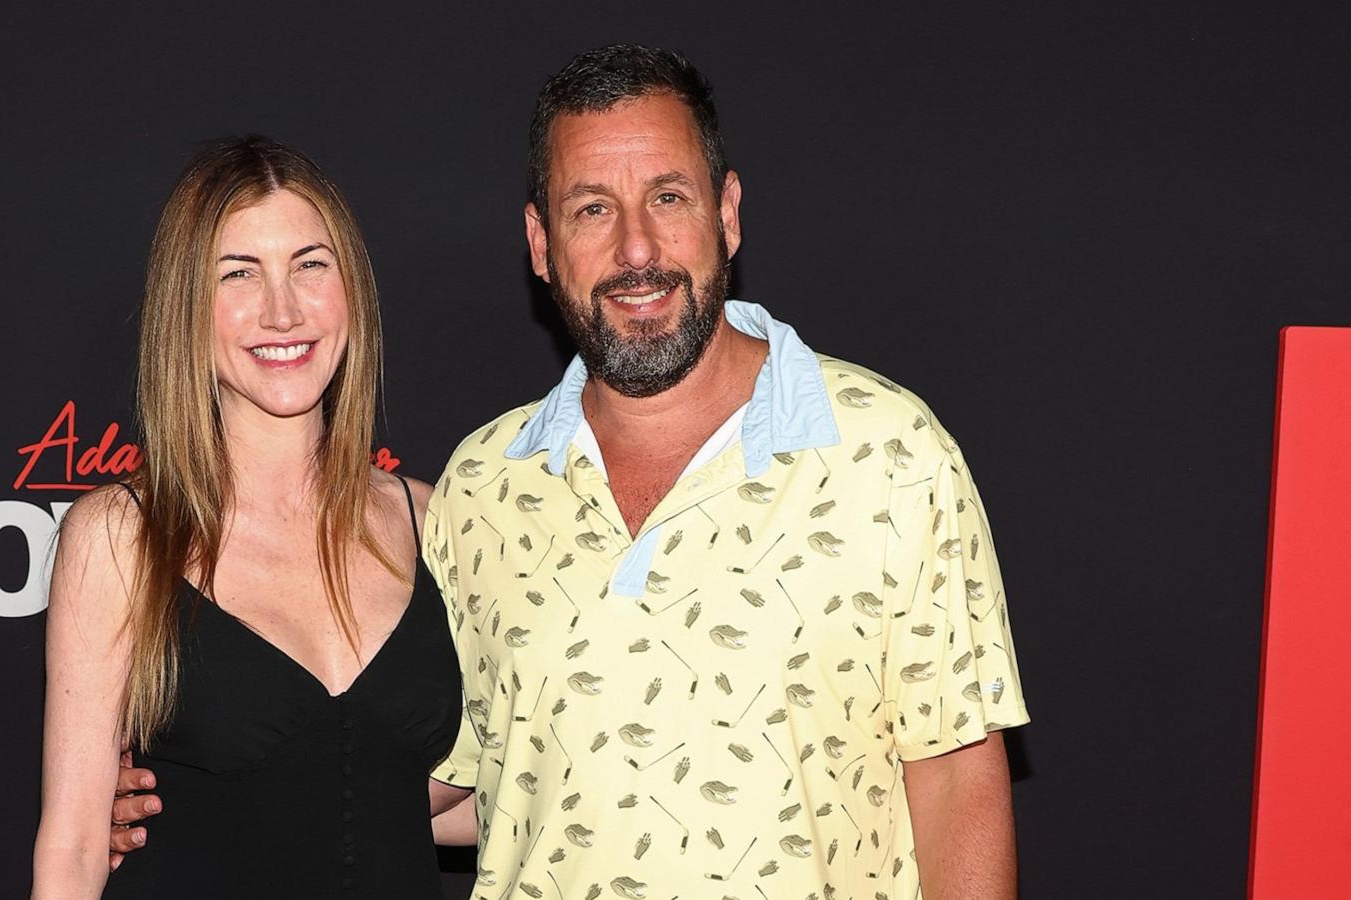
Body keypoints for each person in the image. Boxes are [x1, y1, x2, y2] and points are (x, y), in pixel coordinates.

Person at [115, 45, 1030, 899]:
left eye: (668, 197)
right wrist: (187, 798)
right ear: (541, 242)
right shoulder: (481, 487)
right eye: (592, 208)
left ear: (728, 212)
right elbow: (451, 783)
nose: (636, 249)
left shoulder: (888, 453)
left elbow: (957, 783)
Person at [30, 137, 463, 899]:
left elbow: (421, 794)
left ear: (351, 289)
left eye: (310, 264)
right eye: (239, 273)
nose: (282, 309)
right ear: (186, 307)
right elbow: (70, 852)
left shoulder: (440, 523)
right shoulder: (121, 538)